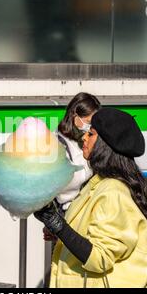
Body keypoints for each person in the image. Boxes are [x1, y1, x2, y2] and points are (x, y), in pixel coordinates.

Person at [35, 108, 147, 288]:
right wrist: (60, 232)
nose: (83, 138)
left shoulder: (113, 192)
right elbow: (92, 239)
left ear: (106, 144)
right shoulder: (98, 185)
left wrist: (59, 225)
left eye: (91, 134)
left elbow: (100, 258)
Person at [43, 93, 100, 242]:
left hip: (89, 214)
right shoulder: (55, 144)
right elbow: (64, 184)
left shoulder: (89, 139)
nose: (90, 128)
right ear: (75, 116)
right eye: (88, 122)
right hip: (69, 215)